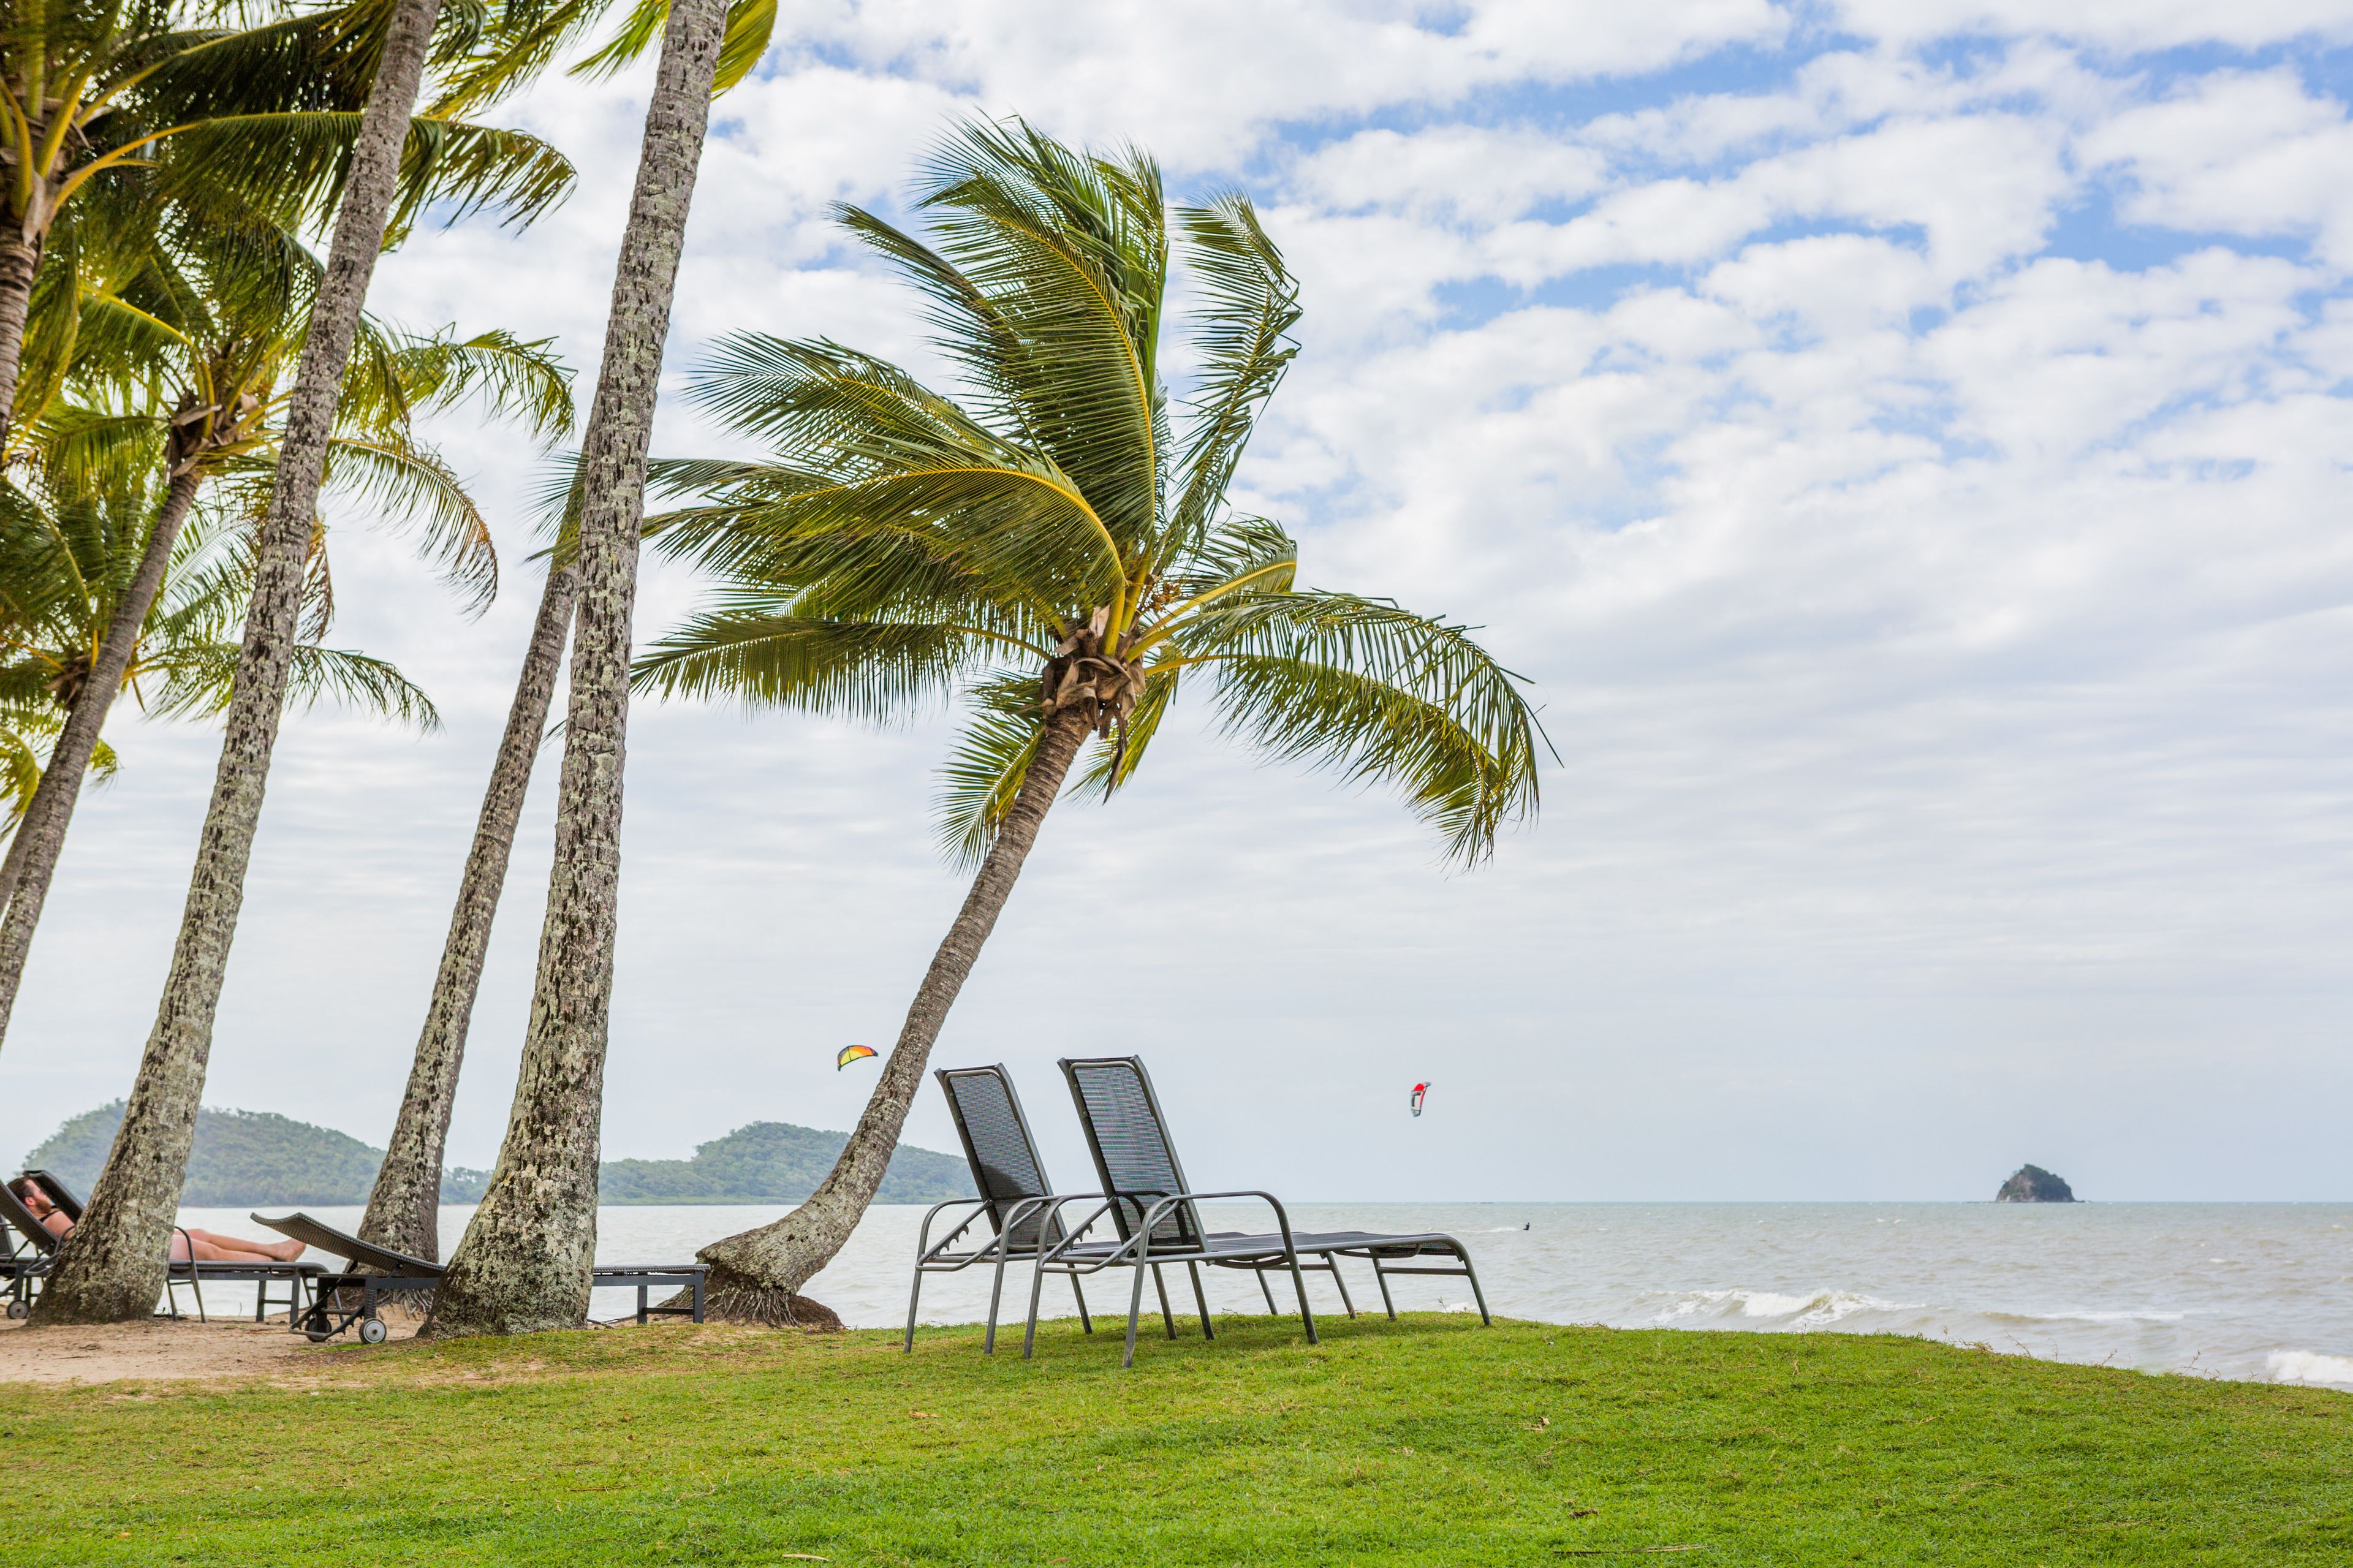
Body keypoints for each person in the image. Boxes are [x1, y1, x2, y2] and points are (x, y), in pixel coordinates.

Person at [6, 1178, 306, 1264]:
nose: (46, 1193)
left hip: (127, 1245)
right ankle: (274, 1259)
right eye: (40, 1190)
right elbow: (85, 1241)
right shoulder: (54, 1218)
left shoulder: (49, 1218)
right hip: (127, 1254)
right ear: (30, 1200)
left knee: (199, 1233)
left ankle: (275, 1251)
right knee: (205, 1249)